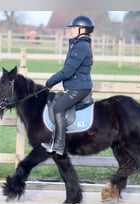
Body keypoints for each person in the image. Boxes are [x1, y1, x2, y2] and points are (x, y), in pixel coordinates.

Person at [41, 15, 95, 155]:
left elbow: (68, 71)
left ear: (82, 30)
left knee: (59, 107)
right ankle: (55, 141)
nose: (71, 31)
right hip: (76, 86)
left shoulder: (81, 47)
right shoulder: (78, 45)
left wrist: (50, 81)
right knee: (57, 101)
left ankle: (59, 145)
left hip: (80, 88)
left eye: (74, 28)